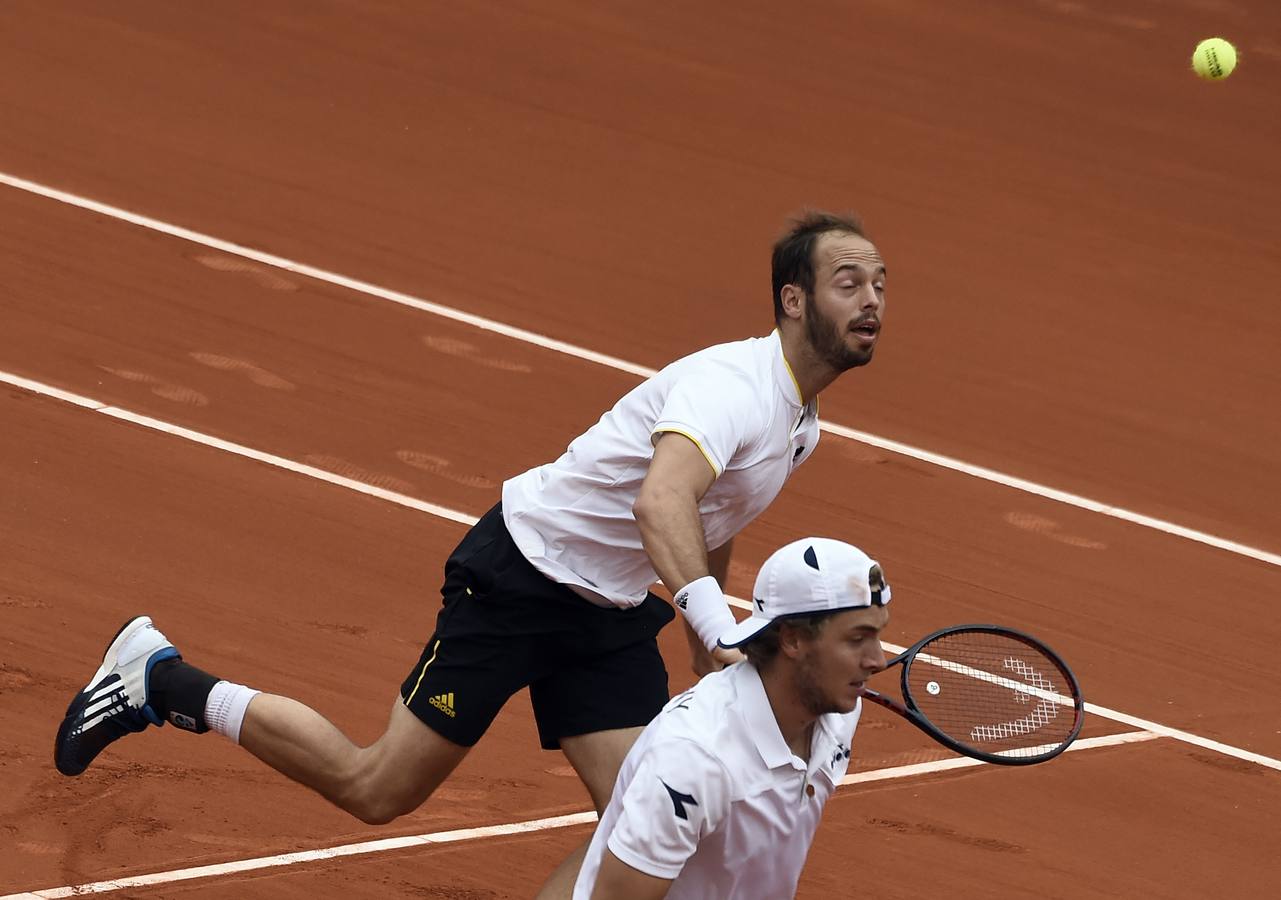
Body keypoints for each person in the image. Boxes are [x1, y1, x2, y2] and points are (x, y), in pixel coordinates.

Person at [53, 210, 888, 897]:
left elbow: (710, 518)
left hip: (613, 612)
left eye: (880, 284)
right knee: (376, 786)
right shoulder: (734, 390)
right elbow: (659, 500)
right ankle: (160, 678)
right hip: (526, 575)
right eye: (848, 282)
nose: (872, 299)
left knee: (641, 814)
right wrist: (711, 622)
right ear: (791, 299)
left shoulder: (797, 424)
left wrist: (707, 661)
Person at [574, 537, 891, 900]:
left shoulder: (835, 714)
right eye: (857, 639)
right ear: (792, 640)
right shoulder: (694, 758)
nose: (877, 660)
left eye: (877, 634)